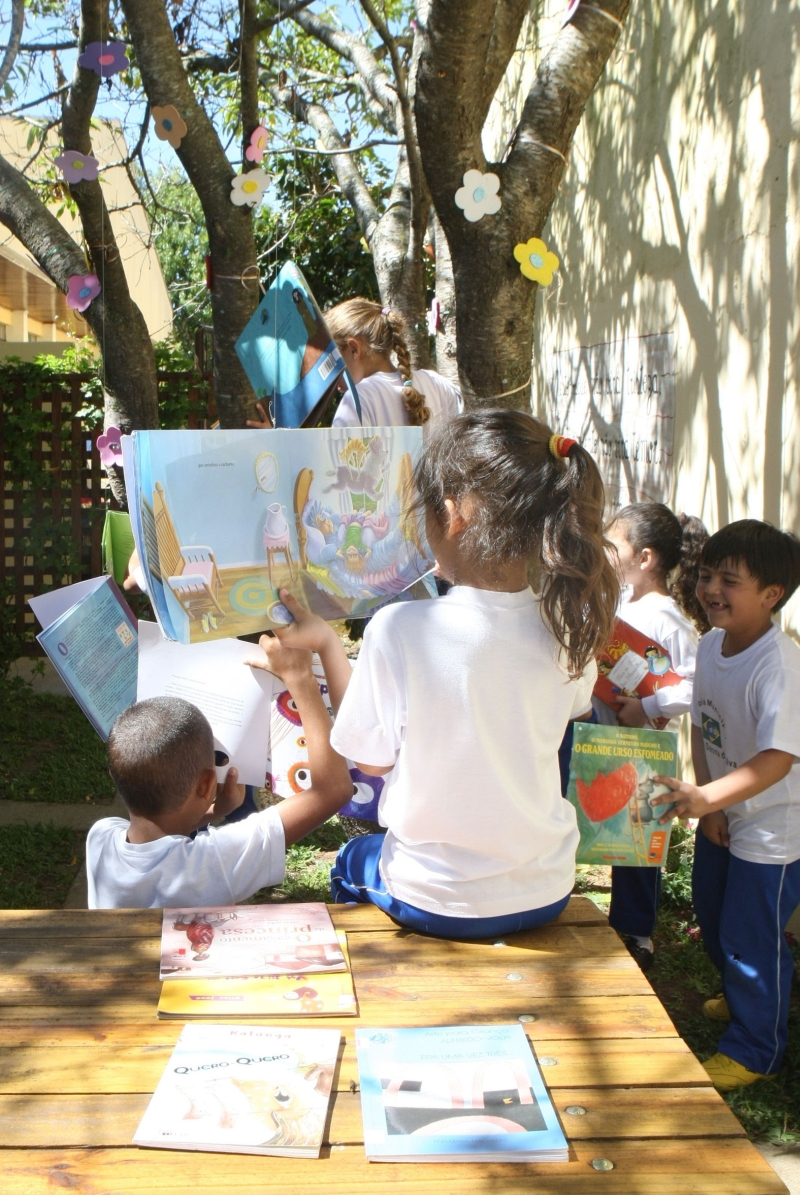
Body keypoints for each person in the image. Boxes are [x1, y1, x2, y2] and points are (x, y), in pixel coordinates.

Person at [261, 410, 620, 939]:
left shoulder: (400, 628)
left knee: (351, 859)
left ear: (451, 514)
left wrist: (326, 648)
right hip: (546, 889)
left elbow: (371, 761)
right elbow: (564, 712)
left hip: (434, 897)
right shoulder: (566, 626)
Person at [653, 520, 800, 1090]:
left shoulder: (779, 666)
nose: (711, 589)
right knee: (713, 916)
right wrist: (711, 806)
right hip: (722, 813)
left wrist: (705, 797)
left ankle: (756, 1048)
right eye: (707, 574)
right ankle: (745, 996)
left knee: (750, 937)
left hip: (773, 830)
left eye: (730, 580)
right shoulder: (712, 644)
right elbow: (703, 724)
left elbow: (777, 760)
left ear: (772, 595)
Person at [86, 636, 352, 908]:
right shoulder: (215, 863)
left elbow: (158, 838)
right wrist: (300, 677)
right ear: (206, 785)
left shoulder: (100, 837)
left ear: (114, 776)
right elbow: (333, 790)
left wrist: (214, 812)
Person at [594, 503, 709, 971]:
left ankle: (637, 933)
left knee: (638, 840)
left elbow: (696, 686)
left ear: (644, 558)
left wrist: (647, 707)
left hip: (645, 748)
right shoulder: (621, 602)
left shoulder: (667, 618)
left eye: (614, 545)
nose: (606, 553)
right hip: (606, 738)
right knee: (605, 827)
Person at [325, 298, 463, 429]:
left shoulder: (356, 401)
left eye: (332, 361)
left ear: (353, 350)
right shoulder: (437, 383)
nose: (330, 376)